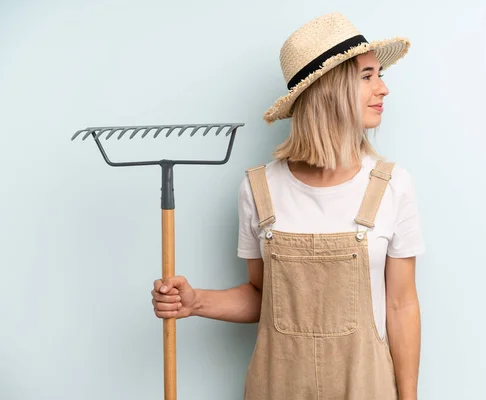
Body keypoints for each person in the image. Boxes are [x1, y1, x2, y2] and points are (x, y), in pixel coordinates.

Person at [151, 12, 425, 400]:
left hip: (366, 387)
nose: (382, 89)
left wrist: (408, 397)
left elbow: (400, 305)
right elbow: (265, 298)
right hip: (277, 386)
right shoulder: (259, 188)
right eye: (367, 76)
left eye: (380, 75)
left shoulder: (393, 185)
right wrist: (195, 302)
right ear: (330, 88)